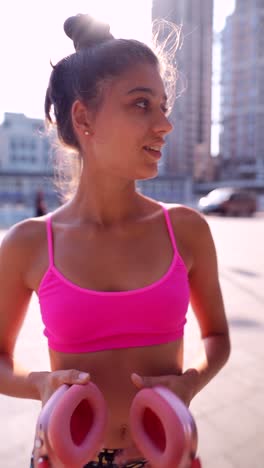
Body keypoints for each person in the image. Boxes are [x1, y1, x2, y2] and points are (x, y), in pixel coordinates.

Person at [0, 13, 230, 468]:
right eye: (142, 104)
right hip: (63, 458)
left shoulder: (186, 230)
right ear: (84, 117)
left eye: (164, 106)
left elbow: (218, 337)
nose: (164, 124)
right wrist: (40, 384)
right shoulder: (28, 242)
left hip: (165, 456)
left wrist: (190, 384)